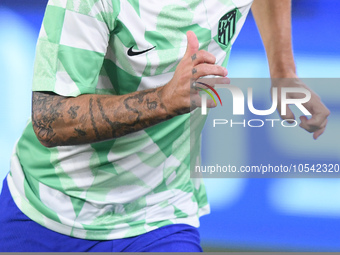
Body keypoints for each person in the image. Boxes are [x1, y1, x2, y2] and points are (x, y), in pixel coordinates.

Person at [0, 0, 329, 252]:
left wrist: (283, 70)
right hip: (43, 212)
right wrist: (164, 100)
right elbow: (49, 119)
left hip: (160, 213)